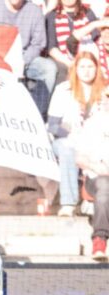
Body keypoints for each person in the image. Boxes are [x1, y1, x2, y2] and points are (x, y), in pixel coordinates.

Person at [48, 51, 106, 217]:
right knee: (68, 149)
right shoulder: (63, 89)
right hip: (67, 139)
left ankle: (93, 199)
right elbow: (53, 126)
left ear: (96, 69)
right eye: (82, 67)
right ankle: (68, 203)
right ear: (76, 69)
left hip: (97, 142)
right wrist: (72, 133)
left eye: (90, 67)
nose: (86, 71)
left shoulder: (105, 91)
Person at [0, 0, 58, 116]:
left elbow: (38, 44)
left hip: (24, 58)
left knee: (49, 68)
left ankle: (37, 116)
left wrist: (22, 61)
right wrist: (3, 61)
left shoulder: (35, 11)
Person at [74, 100, 109, 260]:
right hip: (96, 176)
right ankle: (99, 240)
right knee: (104, 185)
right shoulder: (92, 125)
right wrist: (96, 167)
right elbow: (79, 158)